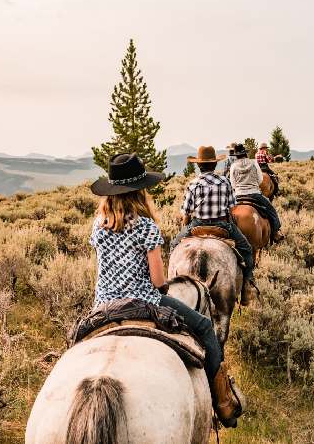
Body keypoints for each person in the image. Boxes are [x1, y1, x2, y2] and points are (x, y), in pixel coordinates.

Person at [90, 152, 242, 427]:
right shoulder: (146, 226)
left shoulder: (98, 226)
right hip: (144, 301)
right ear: (140, 192)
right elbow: (159, 281)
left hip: (103, 305)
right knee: (206, 327)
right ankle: (222, 403)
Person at [170, 145, 256, 304]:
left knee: (173, 245)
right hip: (222, 225)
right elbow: (232, 207)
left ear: (198, 165)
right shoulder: (224, 181)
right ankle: (246, 287)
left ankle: (171, 289)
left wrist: (185, 227)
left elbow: (186, 212)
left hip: (197, 225)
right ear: (215, 164)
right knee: (247, 250)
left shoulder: (193, 183)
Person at [230, 143, 283, 243]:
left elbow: (233, 184)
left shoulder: (233, 166)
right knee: (271, 211)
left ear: (236, 155)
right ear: (245, 153)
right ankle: (276, 232)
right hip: (254, 194)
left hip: (238, 195)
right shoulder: (254, 163)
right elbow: (260, 179)